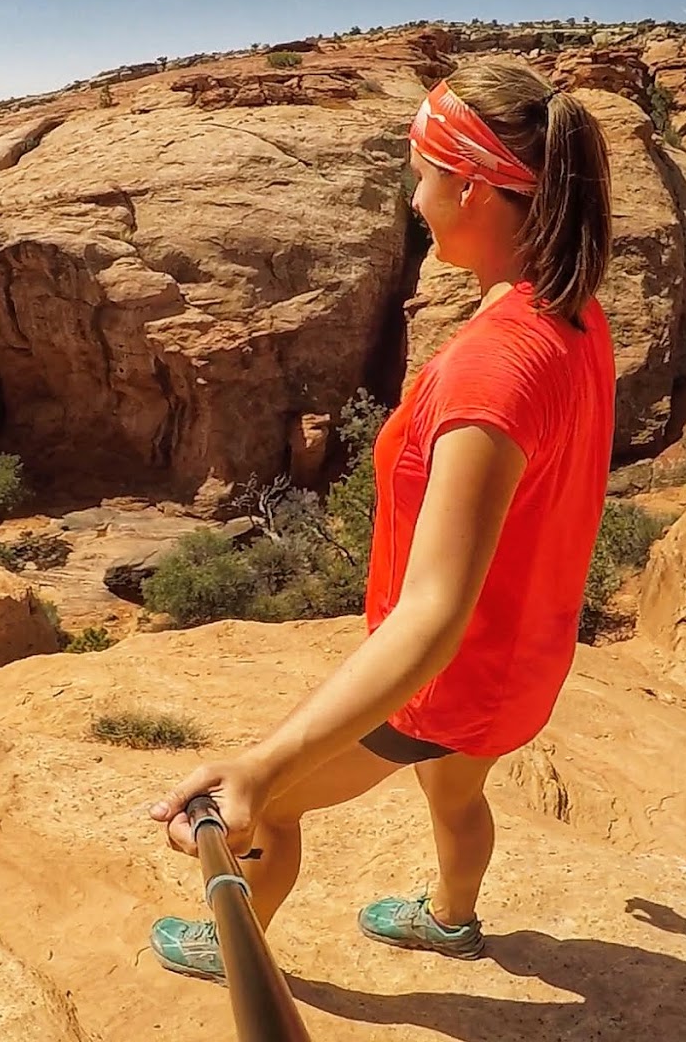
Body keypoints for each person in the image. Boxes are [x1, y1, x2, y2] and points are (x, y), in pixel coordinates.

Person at [147, 57, 617, 981]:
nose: (413, 195)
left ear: (475, 187)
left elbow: (434, 611)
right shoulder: (575, 317)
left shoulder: (493, 368)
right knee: (455, 797)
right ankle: (452, 918)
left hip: (450, 676)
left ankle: (230, 947)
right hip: (518, 659)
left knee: (274, 807)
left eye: (421, 169)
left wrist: (262, 764)